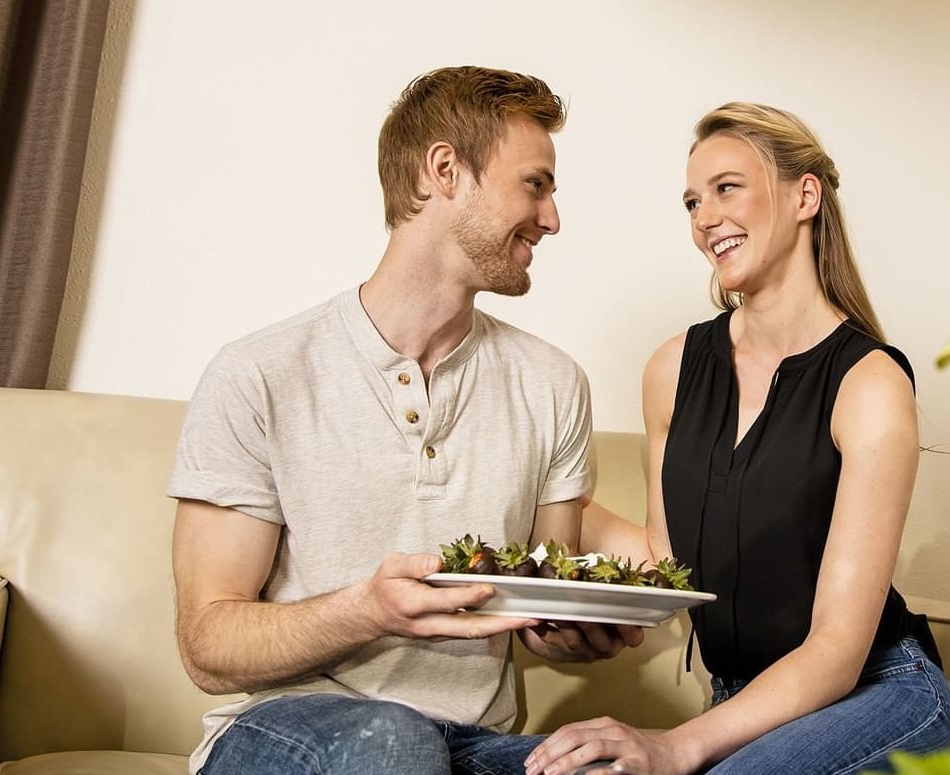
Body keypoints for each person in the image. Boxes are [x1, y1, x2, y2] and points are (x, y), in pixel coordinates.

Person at [166, 66, 643, 775]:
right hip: (285, 731)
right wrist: (367, 610)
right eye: (534, 184)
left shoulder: (552, 385)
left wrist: (569, 631)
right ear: (446, 170)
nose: (551, 218)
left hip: (471, 743)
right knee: (394, 743)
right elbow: (208, 645)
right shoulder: (259, 375)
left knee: (613, 767)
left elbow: (536, 595)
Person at [525, 102, 950, 774]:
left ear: (804, 196)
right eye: (693, 201)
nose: (704, 218)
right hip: (751, 711)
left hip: (882, 696)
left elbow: (838, 649)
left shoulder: (869, 383)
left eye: (726, 188)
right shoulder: (673, 370)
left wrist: (673, 746)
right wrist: (544, 500)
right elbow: (667, 562)